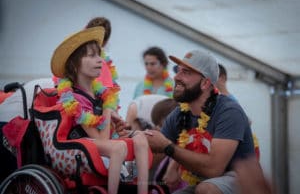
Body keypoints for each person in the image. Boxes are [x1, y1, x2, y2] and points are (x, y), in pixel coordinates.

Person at [50, 26, 149, 194]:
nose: (100, 60)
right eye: (92, 55)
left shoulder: (100, 93)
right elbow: (101, 138)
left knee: (140, 137)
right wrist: (109, 112)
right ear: (74, 66)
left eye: (99, 55)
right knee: (118, 148)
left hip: (101, 141)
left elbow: (108, 130)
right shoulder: (74, 99)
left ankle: (143, 191)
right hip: (82, 146)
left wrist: (119, 128)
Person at [145, 50, 254, 194]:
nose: (176, 76)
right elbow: (152, 156)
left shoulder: (228, 111)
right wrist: (130, 144)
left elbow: (214, 169)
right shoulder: (179, 114)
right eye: (178, 71)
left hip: (244, 181)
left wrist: (168, 147)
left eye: (186, 72)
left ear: (205, 83)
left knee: (207, 189)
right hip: (203, 183)